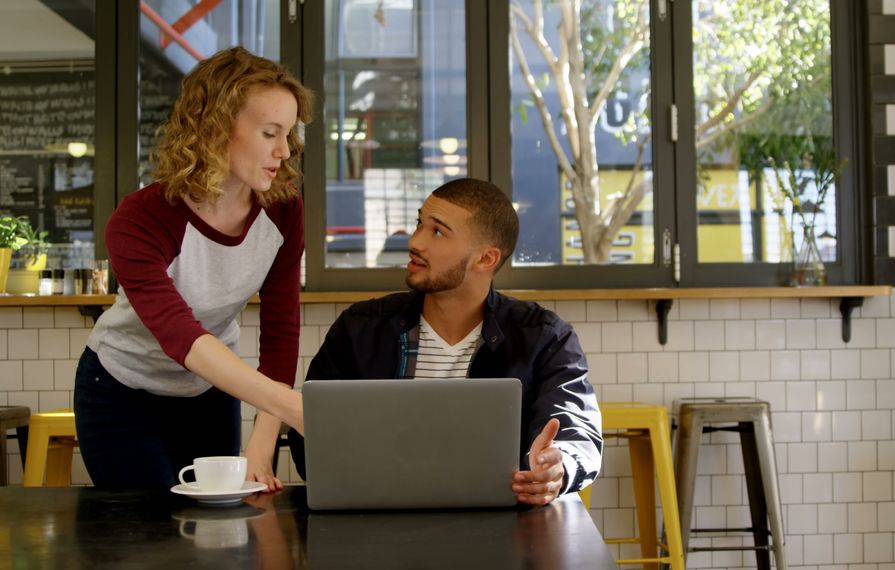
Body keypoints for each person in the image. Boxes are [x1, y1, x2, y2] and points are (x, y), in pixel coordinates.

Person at [73, 47, 312, 491]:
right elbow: (182, 337)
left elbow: (282, 328)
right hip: (120, 390)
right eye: (269, 133)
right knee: (147, 539)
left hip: (208, 393)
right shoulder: (140, 219)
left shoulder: (282, 208)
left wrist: (263, 440)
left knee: (217, 536)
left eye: (288, 134)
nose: (284, 151)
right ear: (216, 127)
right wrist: (292, 407)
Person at [289, 178, 602, 505]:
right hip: (377, 519)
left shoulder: (544, 337)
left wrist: (558, 466)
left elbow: (576, 430)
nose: (415, 241)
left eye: (437, 232)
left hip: (502, 528)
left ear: (485, 259)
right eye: (419, 224)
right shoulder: (359, 329)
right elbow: (307, 439)